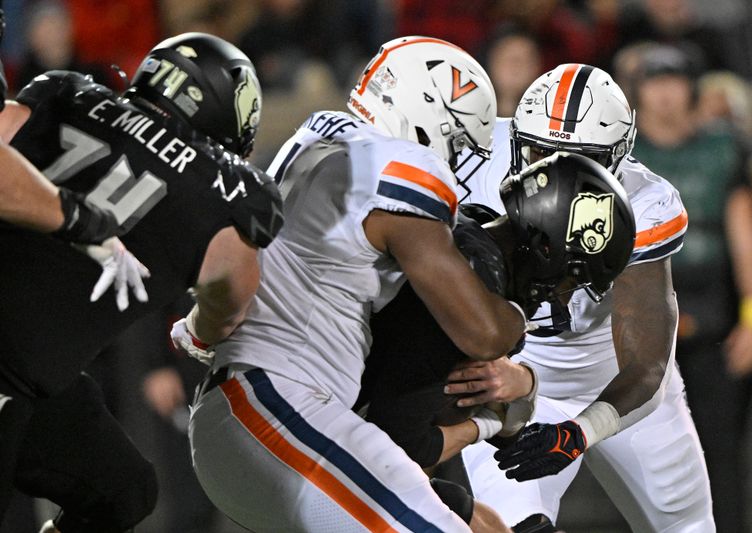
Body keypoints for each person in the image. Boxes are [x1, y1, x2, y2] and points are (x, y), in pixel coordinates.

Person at [178, 36, 529, 533]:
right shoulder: (397, 167)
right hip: (278, 406)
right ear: (429, 117)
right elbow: (484, 333)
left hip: (256, 413)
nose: (455, 162)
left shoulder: (316, 141)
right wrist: (522, 306)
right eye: (457, 142)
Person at [0, 32, 283, 532]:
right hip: (12, 368)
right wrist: (196, 330)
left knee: (122, 490)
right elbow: (231, 307)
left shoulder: (62, 96)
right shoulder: (223, 194)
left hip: (35, 376)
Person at [450, 63, 715, 532]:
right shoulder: (473, 159)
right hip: (515, 376)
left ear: (618, 159)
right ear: (516, 140)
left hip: (618, 381)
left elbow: (647, 362)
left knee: (686, 526)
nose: (557, 174)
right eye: (540, 154)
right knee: (514, 526)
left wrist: (580, 431)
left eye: (584, 161)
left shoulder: (646, 201)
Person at [357, 152, 636, 527]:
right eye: (570, 278)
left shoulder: (476, 233)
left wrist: (524, 385)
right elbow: (402, 447)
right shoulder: (469, 291)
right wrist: (486, 424)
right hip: (317, 439)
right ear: (548, 247)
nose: (559, 295)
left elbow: (507, 422)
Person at [627, 45, 752, 533]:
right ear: (637, 91)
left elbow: (745, 230)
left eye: (675, 81)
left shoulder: (722, 148)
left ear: (693, 89)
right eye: (654, 81)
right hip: (639, 319)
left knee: (721, 449)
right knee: (641, 455)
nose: (665, 94)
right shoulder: (620, 154)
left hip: (713, 317)